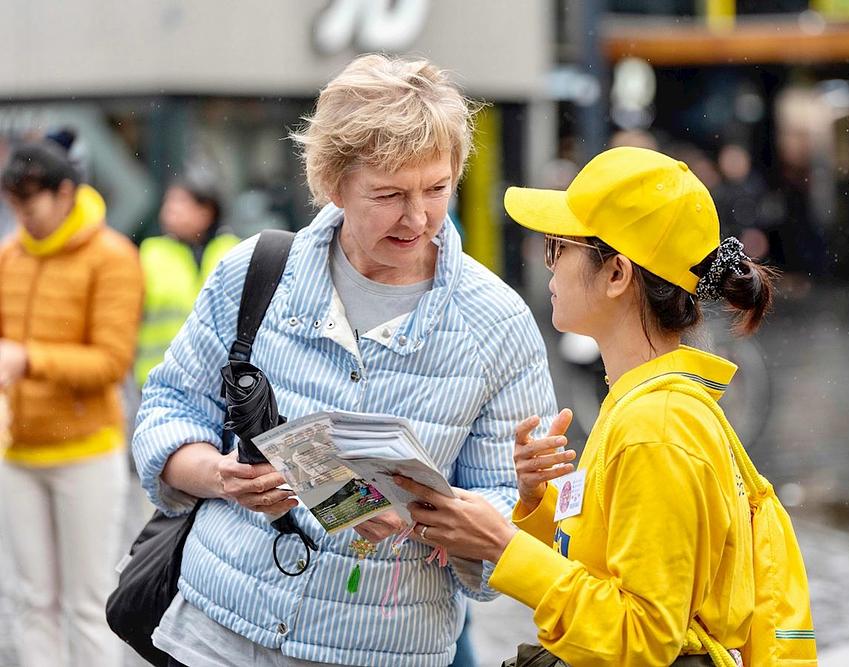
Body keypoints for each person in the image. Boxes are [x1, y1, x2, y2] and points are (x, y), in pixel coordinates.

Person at [131, 53, 557, 667]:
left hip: (381, 648)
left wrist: (422, 519)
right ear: (332, 183)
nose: (418, 218)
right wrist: (220, 475)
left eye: (437, 189)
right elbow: (167, 409)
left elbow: (504, 541)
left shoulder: (497, 324)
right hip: (214, 632)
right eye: (388, 194)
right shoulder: (256, 272)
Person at [395, 146, 780, 666]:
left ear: (617, 274)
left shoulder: (656, 429)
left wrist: (503, 544)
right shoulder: (641, 404)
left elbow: (641, 641)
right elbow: (600, 575)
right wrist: (537, 504)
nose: (546, 263)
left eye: (558, 246)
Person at [0, 135, 143, 667]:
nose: (22, 217)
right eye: (13, 204)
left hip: (86, 448)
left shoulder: (112, 257)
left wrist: (29, 360)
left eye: (29, 203)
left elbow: (110, 362)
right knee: (30, 600)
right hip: (18, 451)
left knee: (87, 603)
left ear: (65, 193)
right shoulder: (8, 256)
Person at [135, 172, 240, 387]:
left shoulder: (234, 251)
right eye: (168, 201)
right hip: (160, 381)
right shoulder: (150, 253)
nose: (170, 209)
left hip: (224, 382)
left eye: (181, 201)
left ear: (206, 211)